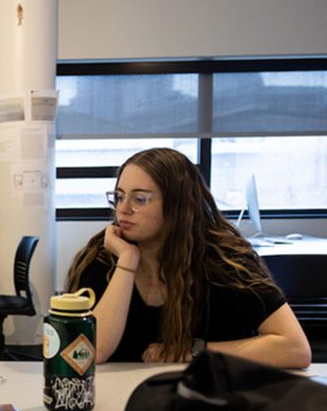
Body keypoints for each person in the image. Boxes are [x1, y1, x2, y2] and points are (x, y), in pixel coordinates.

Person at [65, 147, 311, 368]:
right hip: (118, 404)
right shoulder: (104, 256)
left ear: (177, 205)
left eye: (139, 199)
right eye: (119, 196)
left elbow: (296, 349)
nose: (123, 208)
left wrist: (193, 351)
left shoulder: (223, 261)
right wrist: (127, 261)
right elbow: (89, 353)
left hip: (207, 401)